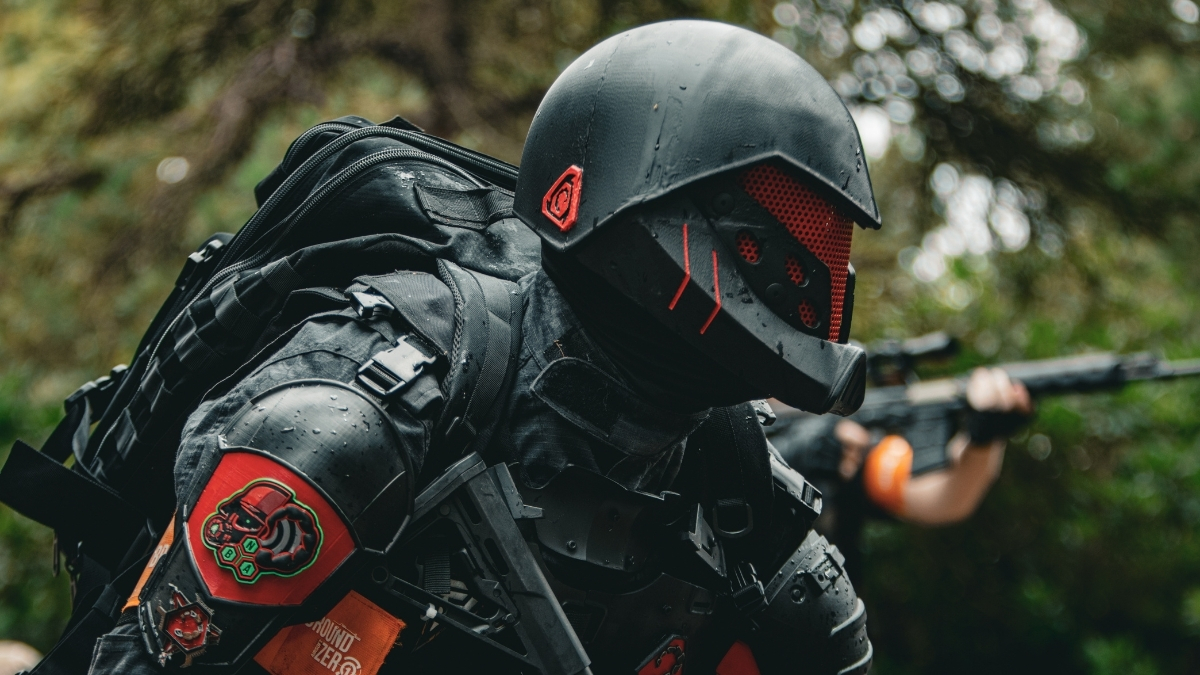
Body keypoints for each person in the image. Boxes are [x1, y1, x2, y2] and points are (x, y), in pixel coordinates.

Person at [74, 20, 884, 675]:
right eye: (771, 240)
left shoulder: (742, 495)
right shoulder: (350, 418)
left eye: (827, 248)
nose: (812, 271)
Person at [771, 367, 1033, 581]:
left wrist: (985, 437)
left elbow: (941, 498)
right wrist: (801, 454)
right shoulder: (800, 434)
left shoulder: (837, 434)